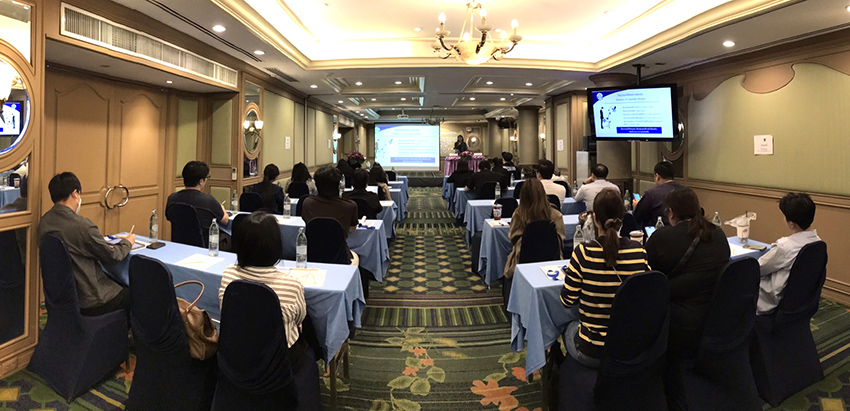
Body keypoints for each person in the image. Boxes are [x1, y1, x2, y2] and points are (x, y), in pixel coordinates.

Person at [644, 187, 730, 411]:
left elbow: (646, 279)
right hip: (717, 316)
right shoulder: (718, 233)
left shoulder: (662, 237)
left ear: (671, 212)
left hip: (678, 326)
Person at [560, 189, 650, 367]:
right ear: (622, 218)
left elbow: (567, 300)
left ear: (594, 218)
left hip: (592, 351)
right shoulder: (638, 251)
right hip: (629, 347)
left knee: (567, 326)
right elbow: (645, 294)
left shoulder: (583, 253)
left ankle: (559, 372)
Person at [38, 172, 136, 316]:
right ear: (75, 194)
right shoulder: (82, 226)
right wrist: (127, 242)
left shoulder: (44, 222)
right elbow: (113, 256)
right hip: (92, 299)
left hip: (61, 296)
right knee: (137, 293)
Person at [219, 212, 306, 351]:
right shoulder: (292, 286)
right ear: (276, 246)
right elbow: (299, 320)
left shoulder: (228, 275)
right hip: (279, 358)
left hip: (236, 353)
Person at [757, 192, 821, 315]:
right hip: (802, 300)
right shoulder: (818, 243)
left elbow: (759, 268)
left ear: (791, 224)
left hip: (775, 301)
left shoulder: (785, 247)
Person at [503, 178, 566, 279]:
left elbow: (513, 239)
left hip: (522, 262)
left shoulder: (518, 214)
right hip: (552, 261)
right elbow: (561, 241)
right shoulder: (556, 215)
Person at [301, 166, 359, 265]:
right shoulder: (350, 206)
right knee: (356, 256)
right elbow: (352, 230)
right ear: (338, 184)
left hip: (312, 254)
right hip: (340, 255)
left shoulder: (307, 203)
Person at [166, 161, 230, 228]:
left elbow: (168, 217)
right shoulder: (209, 201)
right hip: (203, 235)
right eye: (207, 177)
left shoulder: (172, 198)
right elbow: (225, 220)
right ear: (201, 181)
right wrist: (222, 208)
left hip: (178, 235)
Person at [633, 161, 682, 227]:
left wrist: (636, 206)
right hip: (684, 230)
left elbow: (638, 216)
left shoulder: (651, 193)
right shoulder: (685, 191)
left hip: (658, 231)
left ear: (657, 176)